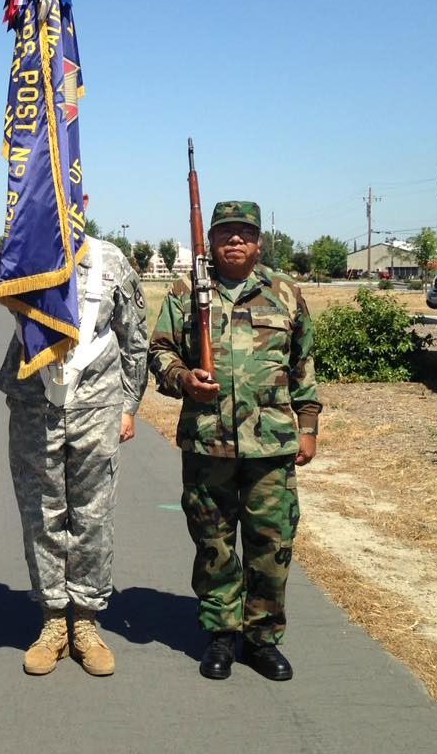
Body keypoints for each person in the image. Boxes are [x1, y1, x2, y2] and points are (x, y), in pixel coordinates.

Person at [148, 200, 322, 682]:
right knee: (214, 543)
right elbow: (158, 352)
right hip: (208, 443)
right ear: (213, 241)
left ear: (259, 240)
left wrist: (308, 428)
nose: (235, 240)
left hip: (272, 446)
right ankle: (221, 635)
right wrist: (183, 379)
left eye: (245, 232)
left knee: (271, 543)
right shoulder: (187, 292)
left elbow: (303, 364)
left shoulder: (285, 292)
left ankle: (262, 638)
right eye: (226, 233)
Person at [0, 234, 148, 677]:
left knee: (92, 516)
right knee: (42, 514)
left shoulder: (111, 260)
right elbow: (1, 292)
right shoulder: (24, 248)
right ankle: (53, 622)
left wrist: (129, 405)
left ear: (82, 199)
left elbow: (133, 335)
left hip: (97, 402)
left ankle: (85, 622)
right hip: (33, 402)